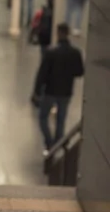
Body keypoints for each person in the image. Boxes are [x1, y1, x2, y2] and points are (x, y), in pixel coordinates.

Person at [34, 24, 84, 154]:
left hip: (50, 91)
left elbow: (42, 73)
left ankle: (49, 143)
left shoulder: (51, 52)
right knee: (61, 120)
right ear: (68, 34)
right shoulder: (75, 53)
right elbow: (80, 72)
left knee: (43, 117)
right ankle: (58, 144)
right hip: (66, 92)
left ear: (58, 33)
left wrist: (37, 90)